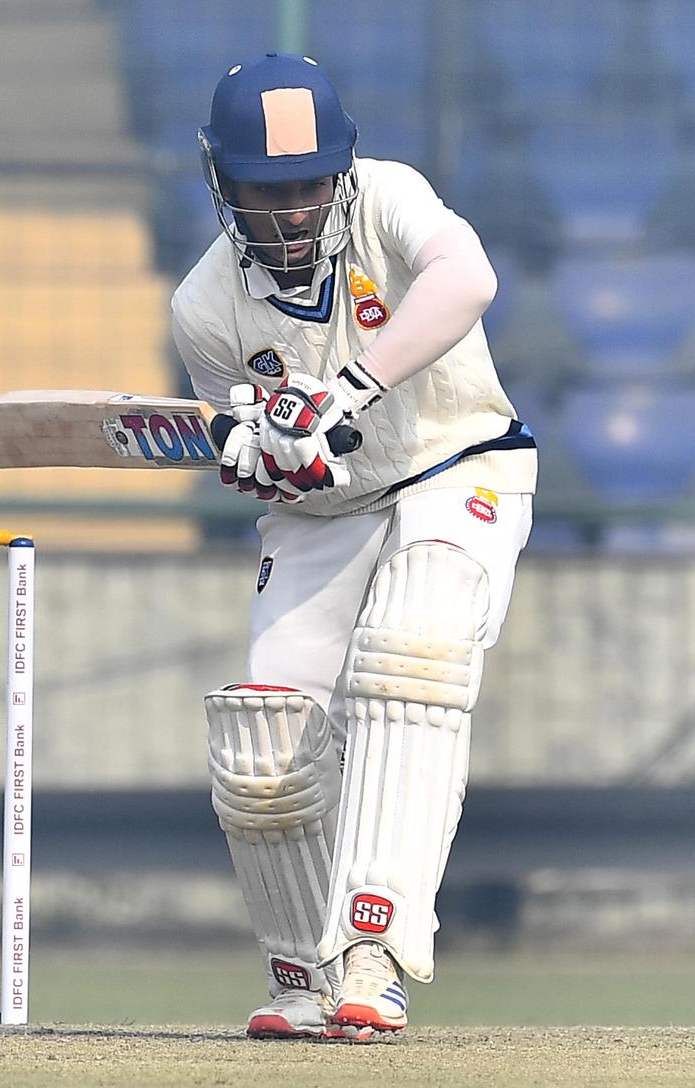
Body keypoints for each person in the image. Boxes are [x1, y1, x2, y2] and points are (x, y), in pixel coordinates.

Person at [170, 52, 537, 1040]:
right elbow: (277, 453)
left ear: (341, 171)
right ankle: (303, 976)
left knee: (409, 659)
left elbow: (470, 277)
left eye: (307, 186)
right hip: (327, 516)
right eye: (266, 189)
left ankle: (374, 951)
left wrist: (344, 390)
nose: (291, 211)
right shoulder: (205, 308)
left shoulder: (391, 201)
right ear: (222, 182)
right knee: (263, 743)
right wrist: (265, 455)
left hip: (460, 462)